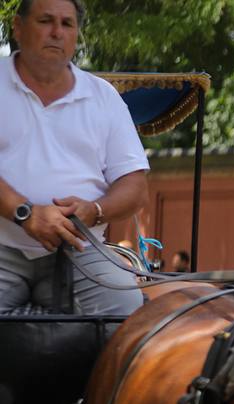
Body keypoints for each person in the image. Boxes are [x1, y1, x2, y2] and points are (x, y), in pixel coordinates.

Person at [0, 0, 149, 315]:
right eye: (45, 21)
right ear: (18, 26)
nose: (57, 33)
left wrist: (94, 210)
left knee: (127, 310)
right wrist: (25, 213)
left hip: (81, 250)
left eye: (67, 24)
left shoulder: (103, 97)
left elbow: (134, 185)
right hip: (2, 250)